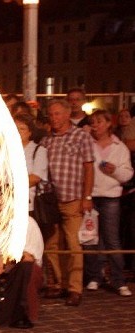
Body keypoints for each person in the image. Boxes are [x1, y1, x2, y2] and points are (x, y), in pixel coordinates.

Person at [40, 99, 94, 306]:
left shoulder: (81, 136)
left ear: (67, 114)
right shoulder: (47, 141)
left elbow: (89, 168)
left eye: (58, 114)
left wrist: (87, 197)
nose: (54, 118)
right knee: (53, 244)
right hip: (52, 200)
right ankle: (58, 283)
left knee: (73, 245)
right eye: (51, 115)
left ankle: (75, 288)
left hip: (73, 198)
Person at [84, 109, 133, 297]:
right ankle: (95, 277)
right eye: (92, 122)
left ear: (108, 124)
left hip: (111, 196)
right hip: (91, 195)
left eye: (99, 121)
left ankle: (119, 280)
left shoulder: (119, 146)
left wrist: (114, 171)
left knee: (112, 239)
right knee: (91, 239)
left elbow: (127, 173)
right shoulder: (87, 143)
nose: (95, 125)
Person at [15, 113, 49, 224]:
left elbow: (35, 178)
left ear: (30, 132)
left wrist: (9, 187)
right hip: (6, 205)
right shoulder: (4, 151)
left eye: (22, 129)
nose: (17, 132)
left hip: (28, 204)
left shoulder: (38, 150)